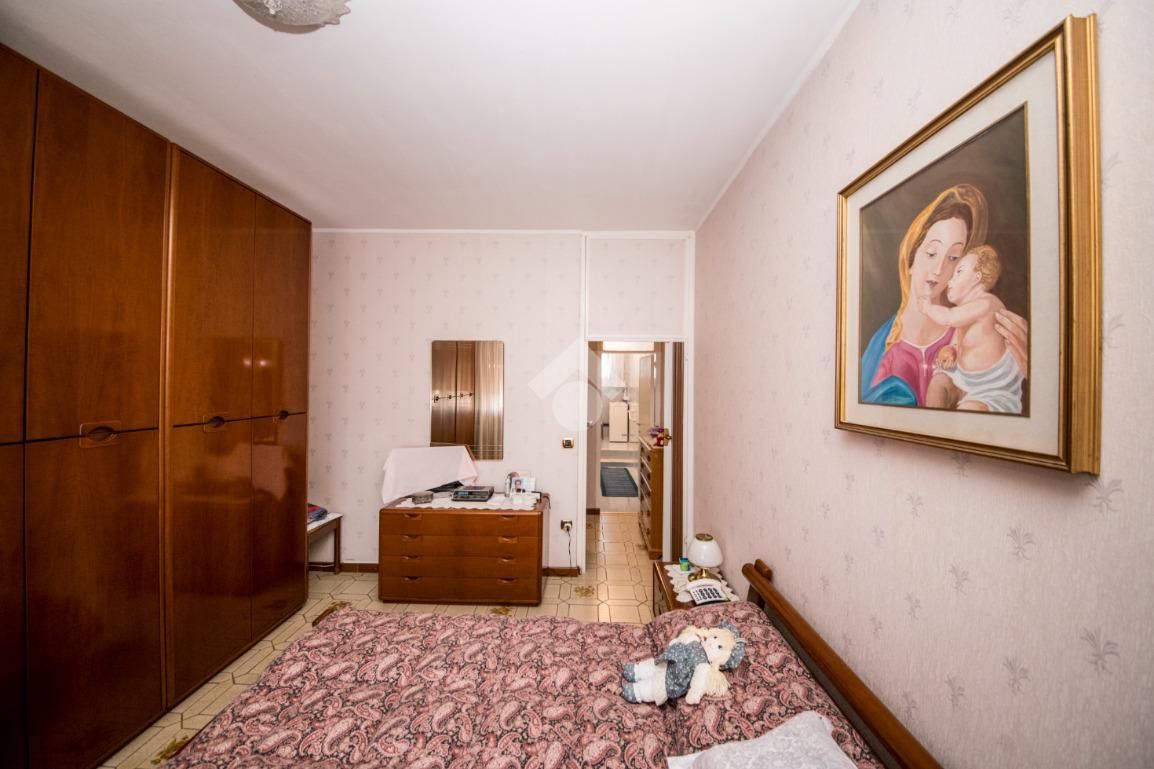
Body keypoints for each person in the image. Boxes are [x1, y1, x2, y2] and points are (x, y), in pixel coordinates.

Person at [860, 184, 1029, 406]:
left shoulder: (969, 329)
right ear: (910, 258)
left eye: (953, 258)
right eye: (932, 253)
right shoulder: (881, 345)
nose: (939, 269)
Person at [921, 245, 1023, 412]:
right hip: (963, 380)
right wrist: (950, 351)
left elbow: (949, 317)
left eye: (959, 272)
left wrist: (928, 308)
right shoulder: (966, 313)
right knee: (937, 384)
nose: (950, 281)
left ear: (977, 277)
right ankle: (932, 422)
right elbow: (957, 344)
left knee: (968, 411)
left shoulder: (986, 303)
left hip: (991, 388)